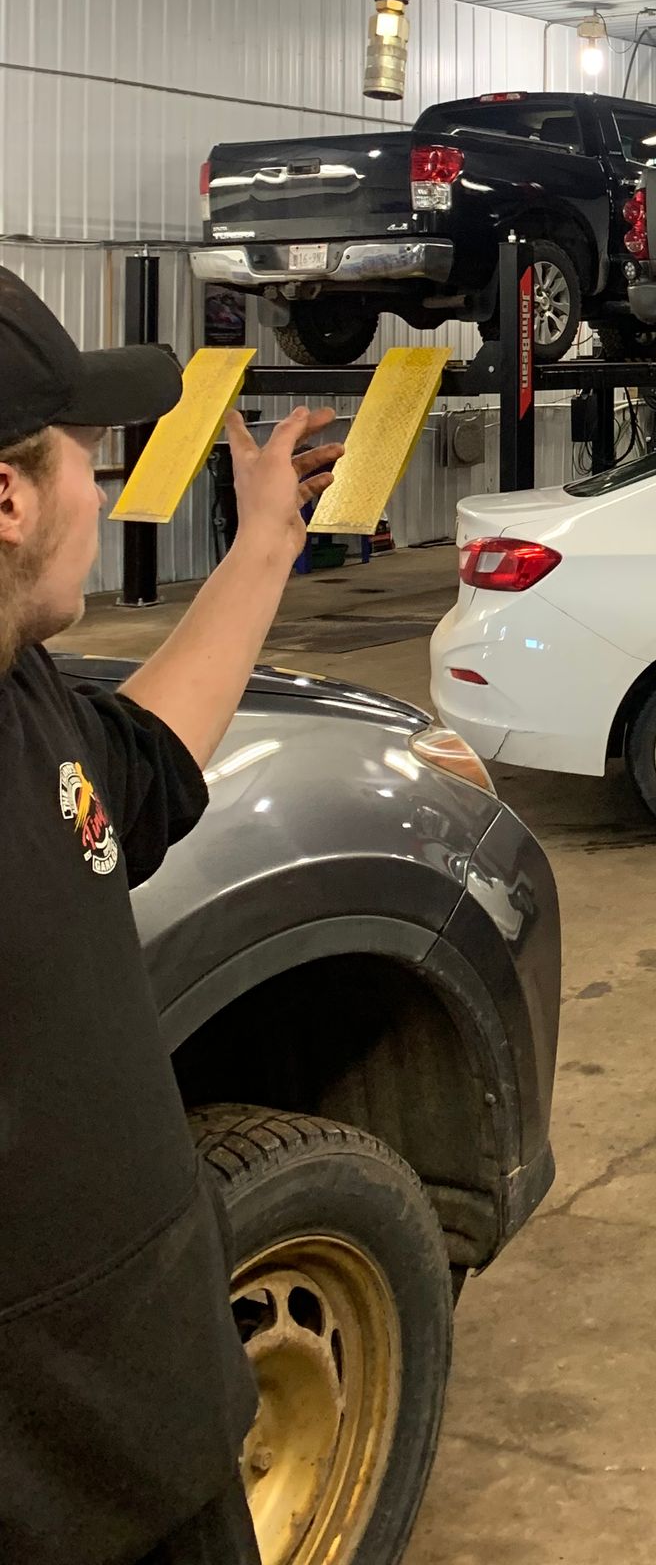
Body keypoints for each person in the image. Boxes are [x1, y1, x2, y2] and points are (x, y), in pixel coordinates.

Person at [0, 266, 342, 1564]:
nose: (101, 489)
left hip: (166, 1459)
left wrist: (265, 546)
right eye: (84, 456)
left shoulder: (25, 695)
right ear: (9, 495)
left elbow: (142, 765)